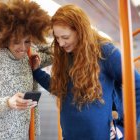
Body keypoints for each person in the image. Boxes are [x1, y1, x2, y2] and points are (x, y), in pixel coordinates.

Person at [31, 4, 140, 140]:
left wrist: (125, 125)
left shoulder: (105, 52)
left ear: (80, 31)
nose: (61, 43)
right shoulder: (65, 54)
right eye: (57, 38)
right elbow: (61, 88)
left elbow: (137, 85)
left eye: (65, 37)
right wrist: (37, 72)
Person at [0, 0, 50, 139]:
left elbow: (57, 51)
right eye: (16, 41)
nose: (23, 48)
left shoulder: (30, 56)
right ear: (5, 38)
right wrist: (7, 103)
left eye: (27, 41)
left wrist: (37, 38)